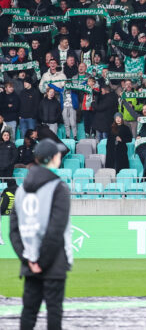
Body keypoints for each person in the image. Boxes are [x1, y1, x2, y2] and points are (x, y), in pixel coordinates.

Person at [10, 138, 72, 329]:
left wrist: (28, 259)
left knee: (28, 312)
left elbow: (14, 231)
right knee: (54, 312)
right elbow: (56, 229)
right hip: (53, 262)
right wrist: (42, 262)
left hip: (29, 261)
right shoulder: (59, 188)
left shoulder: (20, 190)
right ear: (54, 158)